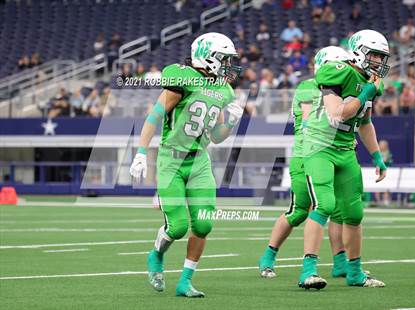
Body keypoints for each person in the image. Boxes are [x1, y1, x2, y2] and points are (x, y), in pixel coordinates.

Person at [129, 32, 243, 297]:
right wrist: (141, 152)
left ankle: (185, 281)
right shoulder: (182, 77)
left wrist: (230, 123)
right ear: (208, 56)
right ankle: (156, 255)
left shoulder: (223, 89)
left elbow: (215, 137)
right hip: (171, 159)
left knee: (203, 225)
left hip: (200, 161)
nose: (228, 65)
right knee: (178, 226)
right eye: (224, 59)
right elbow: (155, 115)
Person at [298, 29, 389, 289]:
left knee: (354, 212)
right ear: (359, 51)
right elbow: (338, 114)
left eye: (381, 57)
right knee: (324, 205)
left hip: (346, 149)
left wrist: (377, 157)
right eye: (374, 55)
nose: (378, 62)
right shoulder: (338, 70)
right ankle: (308, 271)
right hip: (321, 148)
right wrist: (366, 92)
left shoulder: (366, 78)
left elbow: (365, 122)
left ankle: (355, 273)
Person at [259, 46, 355, 279]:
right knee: (299, 211)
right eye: (339, 67)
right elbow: (315, 122)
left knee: (338, 211)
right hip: (307, 156)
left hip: (332, 155)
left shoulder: (343, 89)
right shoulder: (307, 87)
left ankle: (340, 262)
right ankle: (268, 256)